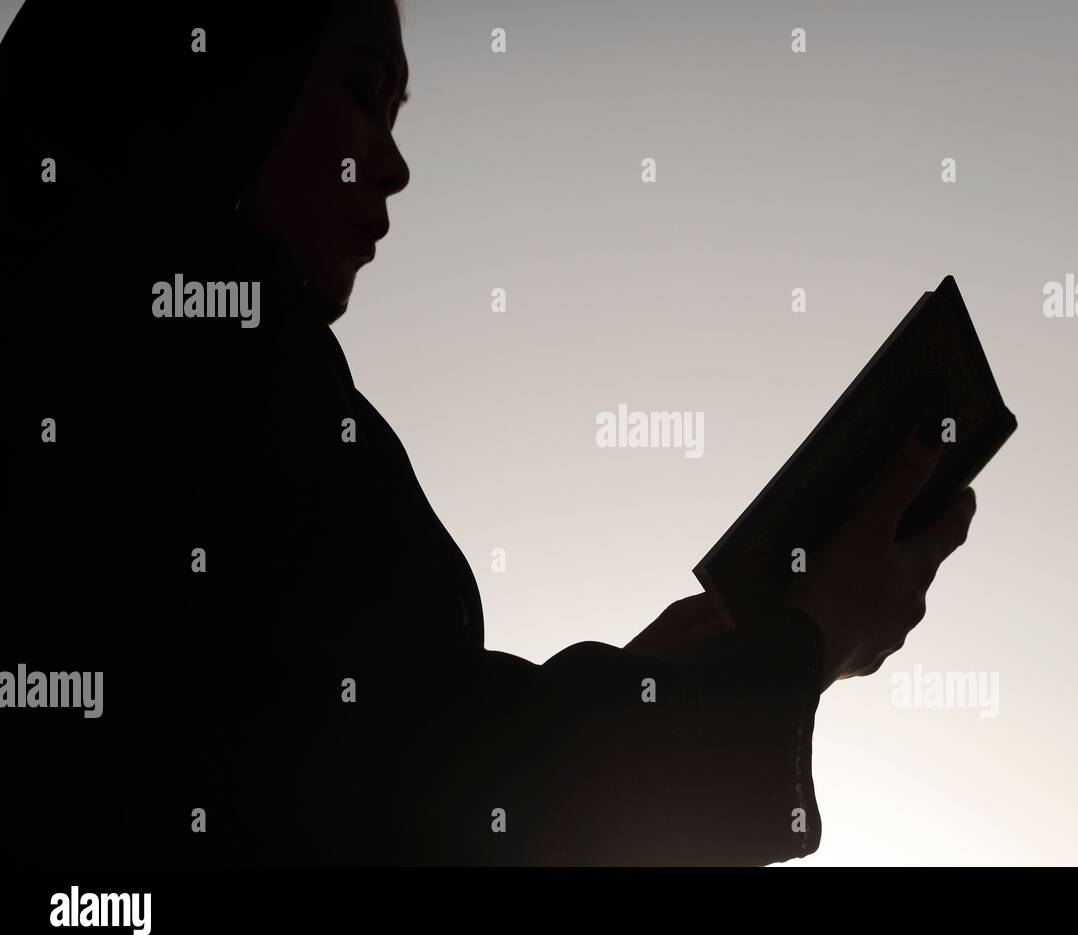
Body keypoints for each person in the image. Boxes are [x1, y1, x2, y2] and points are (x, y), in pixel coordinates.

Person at [0, 0, 976, 866]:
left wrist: (670, 670)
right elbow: (425, 803)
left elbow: (392, 749)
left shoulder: (137, 346)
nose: (392, 163)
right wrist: (812, 635)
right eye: (358, 86)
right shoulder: (189, 371)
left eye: (395, 113)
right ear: (208, 56)